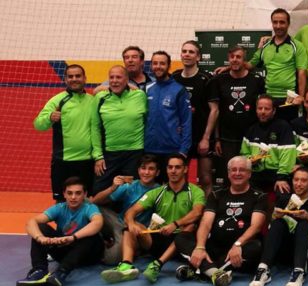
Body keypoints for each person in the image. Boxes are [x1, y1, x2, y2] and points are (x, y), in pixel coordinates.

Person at [100, 154, 205, 284]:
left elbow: (197, 212)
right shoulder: (157, 192)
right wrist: (131, 223)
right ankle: (126, 266)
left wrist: (175, 224)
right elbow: (131, 211)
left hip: (182, 242)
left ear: (185, 169)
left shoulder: (195, 191)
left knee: (190, 226)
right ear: (166, 170)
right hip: (158, 238)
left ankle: (157, 265)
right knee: (130, 227)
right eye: (170, 167)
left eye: (177, 167)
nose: (173, 171)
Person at [174, 156, 267, 286]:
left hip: (241, 249)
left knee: (257, 246)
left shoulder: (259, 196)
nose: (237, 173)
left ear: (249, 173)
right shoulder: (217, 194)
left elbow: (256, 226)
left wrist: (238, 244)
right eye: (233, 170)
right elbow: (206, 223)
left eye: (242, 170)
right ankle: (214, 273)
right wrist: (200, 247)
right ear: (228, 174)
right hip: (214, 248)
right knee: (181, 237)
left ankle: (200, 270)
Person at [16, 177, 103, 286]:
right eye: (69, 193)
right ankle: (39, 271)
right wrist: (40, 238)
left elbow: (97, 223)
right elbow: (31, 222)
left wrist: (73, 237)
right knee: (40, 227)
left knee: (92, 236)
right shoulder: (59, 208)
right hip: (64, 251)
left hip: (87, 255)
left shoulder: (90, 208)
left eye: (78, 193)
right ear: (64, 194)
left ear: (85, 194)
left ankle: (61, 272)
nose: (73, 197)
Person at [250, 167, 308, 286]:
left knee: (304, 224)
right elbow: (271, 228)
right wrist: (274, 216)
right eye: (296, 180)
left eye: (303, 180)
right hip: (283, 253)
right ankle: (263, 269)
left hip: (307, 253)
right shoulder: (283, 199)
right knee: (278, 222)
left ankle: (299, 272)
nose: (298, 184)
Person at [33, 64, 95, 201]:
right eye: (70, 76)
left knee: (88, 201)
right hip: (63, 161)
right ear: (65, 80)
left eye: (78, 76)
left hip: (88, 161)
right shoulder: (58, 100)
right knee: (62, 202)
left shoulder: (93, 101)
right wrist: (49, 118)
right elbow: (38, 124)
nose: (74, 79)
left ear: (85, 78)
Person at [210, 44, 264, 187]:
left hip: (251, 138)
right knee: (231, 177)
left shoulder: (256, 80)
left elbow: (263, 107)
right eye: (232, 57)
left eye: (238, 57)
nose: (235, 60)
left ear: (244, 60)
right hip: (227, 139)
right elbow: (216, 112)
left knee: (252, 176)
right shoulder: (219, 80)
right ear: (228, 58)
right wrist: (217, 139)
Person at [91, 154, 160, 265]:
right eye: (143, 168)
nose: (146, 172)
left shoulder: (160, 191)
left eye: (151, 169)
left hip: (137, 231)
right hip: (119, 223)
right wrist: (112, 188)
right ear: (138, 170)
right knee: (92, 208)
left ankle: (130, 248)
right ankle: (101, 241)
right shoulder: (129, 185)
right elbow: (95, 201)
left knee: (112, 259)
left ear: (157, 173)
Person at [91, 65, 148, 195]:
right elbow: (95, 128)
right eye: (111, 77)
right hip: (109, 154)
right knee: (98, 192)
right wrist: (98, 156)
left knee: (131, 192)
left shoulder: (140, 96)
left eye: (119, 77)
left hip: (135, 153)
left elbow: (146, 121)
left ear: (127, 79)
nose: (115, 80)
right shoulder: (100, 98)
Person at [172, 40, 218, 195]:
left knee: (205, 178)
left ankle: (206, 212)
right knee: (179, 177)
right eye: (184, 51)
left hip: (201, 137)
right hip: (180, 138)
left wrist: (206, 138)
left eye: (191, 52)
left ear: (198, 57)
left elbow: (214, 110)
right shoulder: (175, 77)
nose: (187, 54)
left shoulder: (207, 79)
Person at [250, 8, 307, 122]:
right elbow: (250, 65)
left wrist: (301, 96)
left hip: (290, 98)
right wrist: (228, 67)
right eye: (275, 22)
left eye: (282, 22)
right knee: (270, 134)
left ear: (288, 24)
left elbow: (302, 73)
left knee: (288, 133)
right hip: (269, 98)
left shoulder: (297, 46)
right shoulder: (266, 46)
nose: (278, 26)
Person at [144, 51, 192, 179]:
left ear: (168, 65)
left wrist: (183, 150)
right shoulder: (146, 89)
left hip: (173, 151)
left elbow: (186, 122)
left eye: (162, 63)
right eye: (155, 63)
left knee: (173, 190)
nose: (158, 66)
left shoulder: (179, 90)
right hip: (149, 150)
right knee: (151, 191)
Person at [240, 95, 296, 195]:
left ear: (274, 111)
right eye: (260, 108)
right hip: (255, 172)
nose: (263, 112)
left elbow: (288, 154)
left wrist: (282, 177)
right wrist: (251, 160)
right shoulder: (251, 129)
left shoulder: (283, 126)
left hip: (277, 173)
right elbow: (244, 154)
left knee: (283, 194)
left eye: (267, 109)